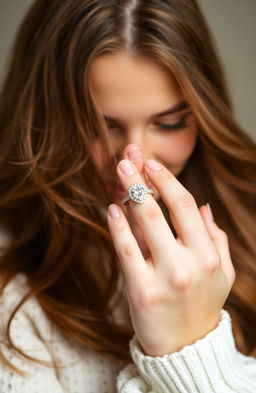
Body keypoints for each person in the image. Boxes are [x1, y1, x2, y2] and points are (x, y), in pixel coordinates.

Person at [0, 0, 255, 391]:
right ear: (42, 119)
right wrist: (185, 352)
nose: (133, 160)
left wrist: (191, 347)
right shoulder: (12, 303)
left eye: (169, 123)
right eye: (98, 127)